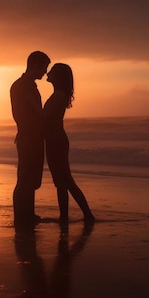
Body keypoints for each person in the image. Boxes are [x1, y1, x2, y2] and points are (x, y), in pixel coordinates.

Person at [43, 63, 95, 224]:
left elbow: (45, 119)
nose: (47, 73)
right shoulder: (58, 94)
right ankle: (66, 216)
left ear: (57, 76)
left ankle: (86, 215)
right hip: (54, 139)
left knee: (65, 180)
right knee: (61, 181)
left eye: (51, 71)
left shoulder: (58, 95)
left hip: (56, 140)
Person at [10, 51, 51, 228]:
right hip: (29, 136)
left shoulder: (24, 85)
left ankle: (27, 214)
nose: (45, 72)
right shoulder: (24, 86)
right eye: (44, 67)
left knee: (30, 178)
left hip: (29, 135)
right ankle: (22, 216)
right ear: (34, 65)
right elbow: (36, 111)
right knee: (26, 178)